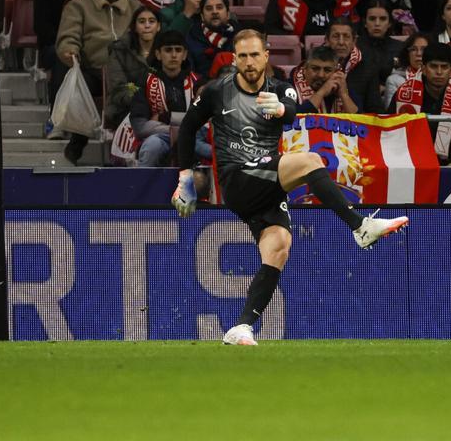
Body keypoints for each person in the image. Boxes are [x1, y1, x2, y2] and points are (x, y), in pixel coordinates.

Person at [171, 29, 409, 346]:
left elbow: (294, 111)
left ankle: (241, 327)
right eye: (242, 56)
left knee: (278, 247)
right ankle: (360, 226)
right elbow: (187, 128)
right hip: (238, 178)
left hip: (267, 182)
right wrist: (185, 178)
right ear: (234, 58)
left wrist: (283, 110)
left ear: (267, 55)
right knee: (310, 160)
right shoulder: (217, 91)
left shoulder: (282, 90)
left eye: (255, 54)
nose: (249, 62)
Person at [55, 0, 141, 164]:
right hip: (94, 68)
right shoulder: (78, 7)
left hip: (130, 72)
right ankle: (77, 142)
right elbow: (69, 35)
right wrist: (69, 50)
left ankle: (124, 152)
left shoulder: (135, 8)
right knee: (83, 84)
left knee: (133, 89)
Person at [389, 41, 451, 163]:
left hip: (449, 167)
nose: (439, 72)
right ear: (423, 69)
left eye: (444, 67)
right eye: (433, 66)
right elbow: (390, 135)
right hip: (408, 165)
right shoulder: (403, 95)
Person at [126, 30, 201, 168]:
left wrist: (165, 117)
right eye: (168, 50)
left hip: (194, 139)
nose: (173, 55)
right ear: (158, 54)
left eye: (178, 50)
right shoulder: (144, 81)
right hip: (160, 138)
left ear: (184, 55)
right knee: (152, 146)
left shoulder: (197, 82)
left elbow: (202, 123)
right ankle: (141, 189)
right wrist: (179, 128)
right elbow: (140, 127)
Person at [104, 5, 161, 128]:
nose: (147, 25)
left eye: (151, 21)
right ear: (134, 27)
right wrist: (145, 101)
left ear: (158, 27)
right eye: (141, 21)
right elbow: (118, 89)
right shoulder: (119, 50)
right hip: (124, 109)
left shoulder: (166, 49)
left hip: (160, 107)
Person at [292, 44, 360, 113]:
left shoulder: (343, 87)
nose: (321, 75)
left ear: (336, 71)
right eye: (315, 69)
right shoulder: (291, 87)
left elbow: (360, 121)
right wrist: (322, 92)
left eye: (327, 70)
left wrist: (344, 95)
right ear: (304, 69)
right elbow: (293, 119)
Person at [383, 33, 429, 106]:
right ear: (407, 54)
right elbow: (391, 115)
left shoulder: (439, 78)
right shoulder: (394, 81)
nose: (419, 53)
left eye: (424, 49)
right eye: (413, 49)